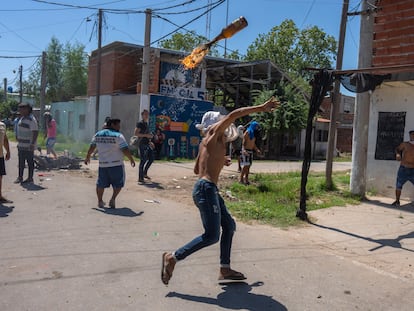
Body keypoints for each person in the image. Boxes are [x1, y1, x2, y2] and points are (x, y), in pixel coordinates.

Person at [161, 97, 280, 285]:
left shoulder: (206, 143)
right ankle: (173, 257)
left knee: (229, 226)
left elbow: (195, 170)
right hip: (206, 189)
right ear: (214, 125)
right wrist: (261, 108)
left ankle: (225, 269)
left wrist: (217, 161)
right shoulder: (214, 133)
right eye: (222, 123)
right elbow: (234, 114)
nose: (226, 126)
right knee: (211, 236)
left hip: (208, 189)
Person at [84, 118, 135, 209]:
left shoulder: (97, 134)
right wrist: (131, 159)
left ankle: (100, 201)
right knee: (118, 183)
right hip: (116, 165)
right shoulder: (118, 136)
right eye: (118, 125)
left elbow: (92, 147)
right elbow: (125, 149)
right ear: (112, 125)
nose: (119, 127)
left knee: (101, 184)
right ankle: (113, 199)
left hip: (103, 165)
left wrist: (87, 156)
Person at [14, 102, 38, 184]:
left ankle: (30, 178)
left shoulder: (31, 119)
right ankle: (20, 177)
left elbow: (35, 132)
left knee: (30, 162)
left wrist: (32, 144)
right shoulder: (22, 118)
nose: (20, 111)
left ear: (27, 109)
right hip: (21, 145)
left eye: (21, 109)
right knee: (21, 162)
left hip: (28, 145)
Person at [392, 130, 414, 206]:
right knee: (398, 185)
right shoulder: (405, 144)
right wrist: (398, 154)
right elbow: (397, 149)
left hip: (413, 169)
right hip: (404, 168)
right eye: (411, 135)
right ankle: (397, 201)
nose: (412, 136)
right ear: (410, 136)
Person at [134, 109, 154, 183]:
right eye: (145, 114)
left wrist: (150, 141)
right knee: (143, 160)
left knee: (151, 158)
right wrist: (146, 135)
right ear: (142, 115)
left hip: (147, 143)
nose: (146, 116)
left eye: (147, 114)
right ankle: (140, 177)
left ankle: (144, 173)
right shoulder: (140, 123)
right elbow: (136, 133)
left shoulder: (146, 124)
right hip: (142, 143)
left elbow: (148, 135)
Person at [0, 119, 12, 203]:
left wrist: (8, 151)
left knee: (0, 176)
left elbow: (5, 139)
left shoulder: (2, 125)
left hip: (0, 155)